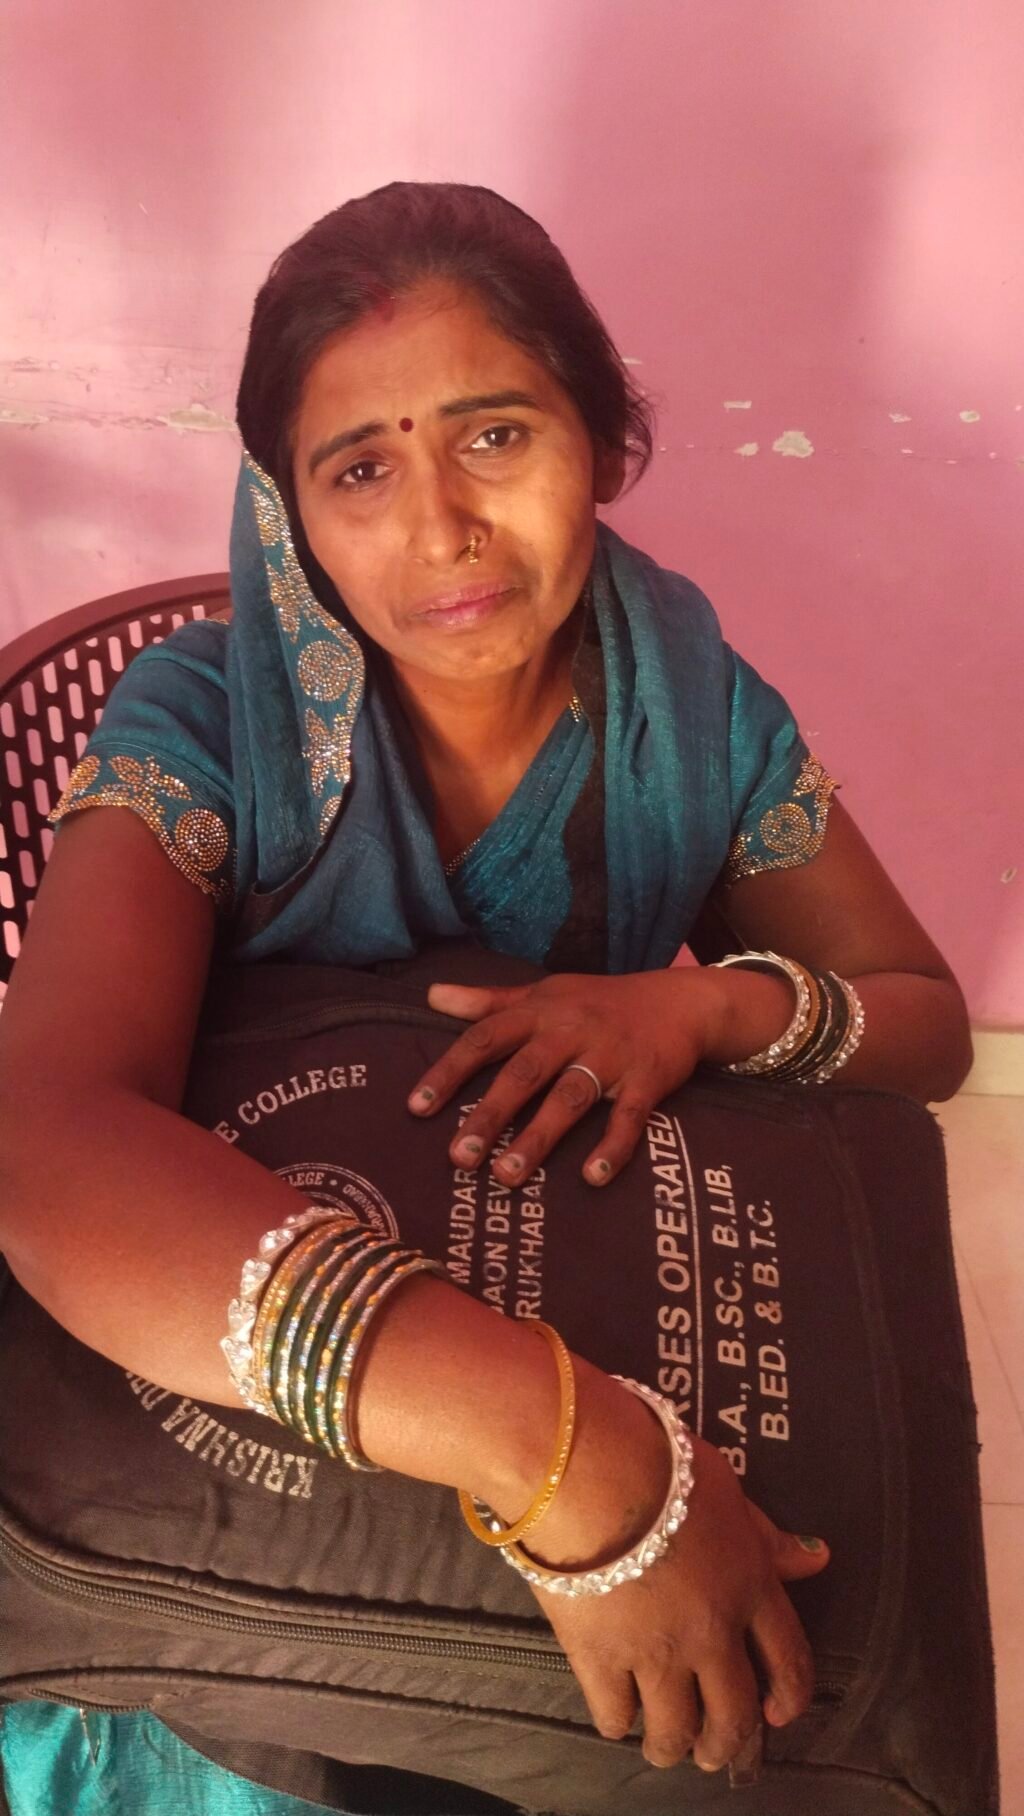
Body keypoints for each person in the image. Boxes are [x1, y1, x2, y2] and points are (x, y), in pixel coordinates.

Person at [0, 181, 972, 1815]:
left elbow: (921, 1019)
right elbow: (44, 1140)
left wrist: (699, 1011)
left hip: (555, 1268)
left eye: (497, 437)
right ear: (290, 509)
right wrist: (572, 1454)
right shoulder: (207, 722)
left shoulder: (695, 717)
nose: (442, 528)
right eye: (360, 471)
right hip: (242, 1387)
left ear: (603, 440)